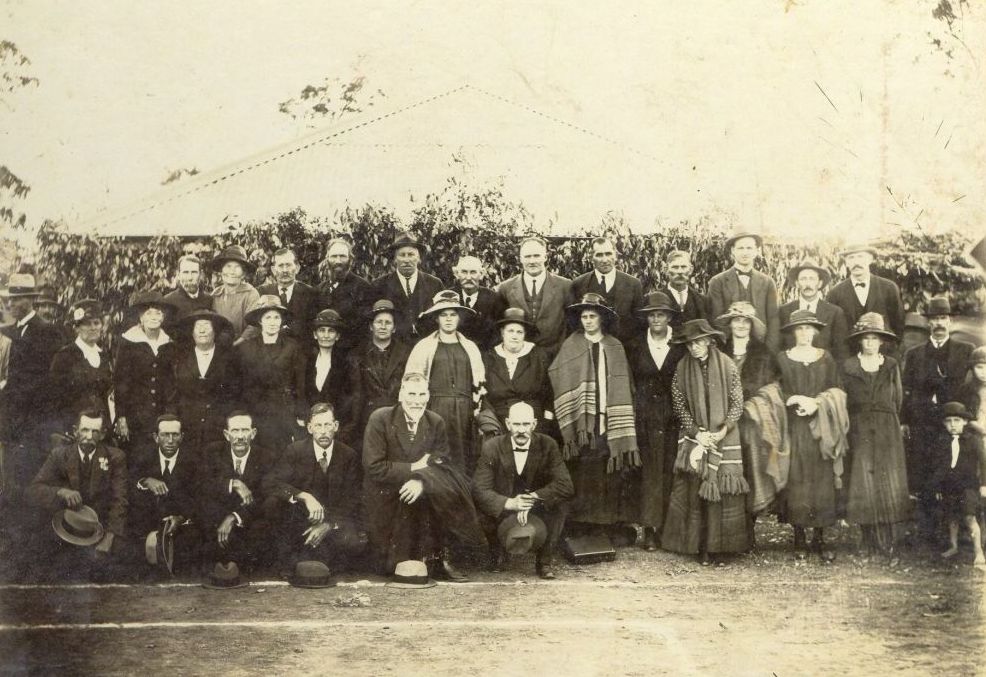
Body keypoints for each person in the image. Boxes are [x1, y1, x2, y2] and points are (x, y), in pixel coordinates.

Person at [362, 373, 485, 581]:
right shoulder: (380, 418)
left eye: (421, 394)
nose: (416, 400)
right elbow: (374, 466)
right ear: (401, 394)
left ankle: (439, 558)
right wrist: (415, 467)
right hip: (388, 496)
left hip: (419, 491)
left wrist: (420, 480)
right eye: (411, 394)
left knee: (447, 485)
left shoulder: (435, 421)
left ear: (428, 396)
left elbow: (441, 461)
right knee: (390, 568)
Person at [548, 293, 639, 536]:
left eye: (593, 316)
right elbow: (557, 374)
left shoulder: (614, 345)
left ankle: (607, 524)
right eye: (584, 317)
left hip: (609, 417)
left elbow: (626, 382)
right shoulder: (572, 344)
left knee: (608, 469)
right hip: (583, 421)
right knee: (585, 468)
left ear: (602, 319)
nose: (588, 321)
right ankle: (582, 524)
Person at [661, 319, 749, 563]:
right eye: (689, 344)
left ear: (710, 341)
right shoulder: (682, 368)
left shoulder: (728, 365)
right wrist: (696, 432)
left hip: (724, 435)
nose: (693, 348)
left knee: (723, 491)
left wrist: (723, 430)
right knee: (694, 491)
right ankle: (700, 547)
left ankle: (723, 548)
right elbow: (678, 404)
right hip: (695, 435)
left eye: (698, 342)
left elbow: (737, 402)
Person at [775, 309, 848, 562]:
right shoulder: (782, 359)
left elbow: (837, 389)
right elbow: (774, 391)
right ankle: (798, 537)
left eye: (809, 328)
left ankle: (819, 536)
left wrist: (818, 402)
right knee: (797, 479)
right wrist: (792, 398)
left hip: (821, 427)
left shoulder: (826, 358)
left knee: (821, 480)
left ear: (815, 332)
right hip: (794, 427)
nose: (804, 333)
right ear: (793, 332)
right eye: (799, 328)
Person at [901, 295, 975, 540]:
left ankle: (956, 532)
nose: (939, 323)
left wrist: (967, 419)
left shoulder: (965, 352)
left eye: (943, 318)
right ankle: (928, 531)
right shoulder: (914, 354)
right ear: (928, 324)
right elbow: (906, 389)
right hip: (923, 425)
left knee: (954, 475)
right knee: (925, 475)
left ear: (950, 321)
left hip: (952, 426)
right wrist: (905, 420)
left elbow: (972, 389)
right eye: (934, 319)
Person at [472, 402, 573, 579]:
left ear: (534, 424)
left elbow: (566, 485)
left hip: (537, 507)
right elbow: (479, 489)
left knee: (561, 504)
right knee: (480, 505)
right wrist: (510, 503)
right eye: (516, 424)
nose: (521, 430)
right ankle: (497, 553)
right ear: (508, 424)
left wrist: (533, 498)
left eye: (526, 424)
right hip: (504, 509)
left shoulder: (548, 444)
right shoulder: (492, 447)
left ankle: (544, 561)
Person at [842, 313, 910, 563]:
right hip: (859, 428)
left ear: (882, 341)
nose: (870, 343)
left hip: (887, 428)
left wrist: (889, 419)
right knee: (863, 482)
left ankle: (889, 544)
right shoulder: (849, 366)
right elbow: (846, 400)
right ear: (859, 341)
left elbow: (898, 399)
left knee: (888, 482)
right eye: (865, 338)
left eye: (875, 338)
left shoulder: (891, 365)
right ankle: (866, 541)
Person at [264, 403, 364, 574]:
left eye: (327, 425)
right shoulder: (295, 451)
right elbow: (271, 482)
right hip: (302, 518)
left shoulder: (348, 456)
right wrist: (305, 496)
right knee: (273, 504)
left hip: (333, 521)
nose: (323, 431)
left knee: (352, 544)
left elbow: (352, 498)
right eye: (318, 425)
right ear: (310, 428)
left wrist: (328, 524)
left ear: (336, 426)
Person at [26, 410, 127, 567]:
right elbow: (34, 490)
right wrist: (61, 492)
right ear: (75, 431)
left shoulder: (115, 457)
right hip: (65, 530)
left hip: (100, 532)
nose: (88, 436)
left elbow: (119, 500)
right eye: (84, 430)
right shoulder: (59, 455)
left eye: (95, 431)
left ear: (102, 435)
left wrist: (109, 538)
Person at [625, 292, 686, 550]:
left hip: (673, 416)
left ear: (669, 316)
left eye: (661, 314)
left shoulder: (681, 343)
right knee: (649, 471)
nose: (656, 319)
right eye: (651, 315)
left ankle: (668, 528)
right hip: (645, 415)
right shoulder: (635, 344)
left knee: (670, 468)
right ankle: (649, 528)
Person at [404, 290, 486, 472]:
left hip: (465, 414)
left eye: (453, 314)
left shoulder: (470, 348)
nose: (448, 319)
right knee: (436, 459)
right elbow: (411, 381)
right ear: (436, 318)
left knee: (463, 461)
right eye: (443, 315)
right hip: (435, 410)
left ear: (459, 318)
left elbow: (479, 386)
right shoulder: (424, 346)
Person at [0, 273, 63, 487]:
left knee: (29, 477)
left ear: (30, 300)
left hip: (33, 421)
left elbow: (44, 380)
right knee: (10, 478)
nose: (11, 304)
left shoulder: (46, 331)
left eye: (16, 299)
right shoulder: (11, 331)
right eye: (10, 299)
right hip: (12, 420)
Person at [201, 411, 275, 573]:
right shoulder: (213, 452)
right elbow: (203, 486)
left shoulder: (267, 457)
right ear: (227, 435)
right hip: (218, 521)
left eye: (244, 430)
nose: (240, 436)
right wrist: (233, 483)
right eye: (235, 431)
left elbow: (264, 497)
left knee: (262, 527)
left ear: (253, 433)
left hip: (248, 519)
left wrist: (234, 517)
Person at [128, 415, 203, 573]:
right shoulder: (141, 457)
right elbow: (128, 485)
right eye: (164, 435)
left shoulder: (195, 461)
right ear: (156, 437)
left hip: (180, 526)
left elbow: (199, 499)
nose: (170, 440)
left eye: (175, 435)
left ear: (181, 437)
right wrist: (146, 481)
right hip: (148, 525)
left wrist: (180, 518)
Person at [233, 295, 307, 454]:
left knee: (283, 453)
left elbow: (299, 383)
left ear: (281, 321)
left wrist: (300, 413)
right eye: (268, 317)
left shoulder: (292, 347)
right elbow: (240, 383)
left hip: (283, 410)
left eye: (276, 317)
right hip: (255, 410)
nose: (272, 322)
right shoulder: (246, 348)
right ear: (260, 320)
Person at [113, 290, 178, 452]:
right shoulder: (128, 341)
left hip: (161, 414)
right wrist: (122, 417)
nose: (154, 317)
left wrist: (170, 414)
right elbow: (120, 381)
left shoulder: (168, 343)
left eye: (158, 313)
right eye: (149, 313)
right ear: (141, 317)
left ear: (163, 317)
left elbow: (170, 382)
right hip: (136, 415)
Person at [479, 307, 554, 436]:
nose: (515, 336)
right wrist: (488, 420)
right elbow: (482, 392)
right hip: (498, 420)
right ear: (502, 333)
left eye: (519, 332)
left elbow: (549, 391)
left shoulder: (538, 356)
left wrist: (547, 420)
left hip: (532, 421)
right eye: (510, 331)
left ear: (525, 335)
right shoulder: (488, 357)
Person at [496, 236, 574, 358]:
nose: (532, 261)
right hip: (519, 358)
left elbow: (572, 325)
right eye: (527, 256)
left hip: (556, 357)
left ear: (545, 257)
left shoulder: (565, 286)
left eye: (537, 256)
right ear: (520, 259)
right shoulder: (505, 288)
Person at [172, 309, 238, 450]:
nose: (202, 331)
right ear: (192, 332)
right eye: (198, 327)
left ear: (215, 331)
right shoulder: (180, 357)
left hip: (218, 426)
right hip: (187, 425)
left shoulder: (229, 358)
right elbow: (174, 393)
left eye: (206, 326)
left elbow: (234, 394)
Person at [706, 230, 780, 352]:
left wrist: (769, 351)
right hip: (729, 349)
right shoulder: (717, 282)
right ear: (732, 251)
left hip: (760, 349)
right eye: (740, 248)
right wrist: (726, 350)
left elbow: (773, 319)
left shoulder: (768, 282)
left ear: (756, 251)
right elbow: (716, 320)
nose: (745, 252)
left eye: (749, 248)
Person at [348, 300, 412, 441]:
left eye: (388, 323)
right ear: (371, 326)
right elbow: (356, 394)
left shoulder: (406, 353)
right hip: (368, 417)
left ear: (394, 328)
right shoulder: (357, 354)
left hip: (399, 417)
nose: (383, 326)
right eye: (379, 322)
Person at [48, 300, 112, 439]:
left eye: (96, 323)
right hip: (73, 429)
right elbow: (53, 397)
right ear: (77, 328)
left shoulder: (104, 356)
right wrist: (61, 430)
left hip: (99, 428)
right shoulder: (65, 356)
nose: (93, 328)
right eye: (87, 324)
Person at [932, 402, 985, 567]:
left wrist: (984, 484)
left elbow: (984, 463)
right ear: (944, 424)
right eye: (948, 421)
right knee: (952, 516)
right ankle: (954, 546)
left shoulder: (974, 440)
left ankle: (978, 552)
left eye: (956, 420)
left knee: (969, 517)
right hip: (949, 485)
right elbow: (939, 466)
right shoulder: (942, 442)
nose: (953, 425)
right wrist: (938, 487)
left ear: (965, 422)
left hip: (968, 485)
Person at [369, 233, 444, 341]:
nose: (406, 259)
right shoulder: (379, 285)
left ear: (419, 258)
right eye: (402, 255)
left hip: (427, 347)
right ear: (394, 259)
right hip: (394, 350)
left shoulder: (435, 284)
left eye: (411, 254)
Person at [571, 236, 644, 345]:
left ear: (615, 255)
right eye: (599, 255)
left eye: (608, 254)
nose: (605, 260)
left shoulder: (633, 284)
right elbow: (575, 322)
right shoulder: (579, 284)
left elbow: (640, 323)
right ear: (591, 257)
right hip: (591, 350)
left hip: (625, 351)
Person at [825, 241, 905, 340]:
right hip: (848, 354)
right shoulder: (835, 293)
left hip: (883, 352)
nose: (856, 262)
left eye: (860, 256)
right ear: (846, 262)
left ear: (870, 259)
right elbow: (831, 330)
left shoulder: (889, 288)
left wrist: (893, 352)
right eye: (851, 258)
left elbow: (899, 324)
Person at [779, 259, 849, 360]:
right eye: (803, 279)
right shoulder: (784, 311)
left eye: (812, 279)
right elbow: (780, 346)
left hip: (824, 371)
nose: (808, 284)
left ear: (820, 283)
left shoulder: (835, 312)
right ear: (797, 283)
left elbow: (841, 350)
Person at [304, 309, 354, 444]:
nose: (326, 335)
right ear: (315, 334)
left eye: (331, 331)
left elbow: (351, 398)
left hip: (336, 428)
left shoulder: (346, 362)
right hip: (309, 427)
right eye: (321, 330)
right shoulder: (306, 361)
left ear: (337, 336)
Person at [315, 238, 372, 354]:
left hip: (352, 354)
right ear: (327, 259)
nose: (338, 261)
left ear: (350, 259)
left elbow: (364, 329)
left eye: (342, 256)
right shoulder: (319, 289)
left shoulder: (363, 287)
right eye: (334, 256)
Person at [258, 247, 318, 342]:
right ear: (273, 270)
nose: (285, 270)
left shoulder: (311, 293)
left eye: (289, 265)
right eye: (281, 266)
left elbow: (313, 329)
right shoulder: (262, 292)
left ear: (297, 268)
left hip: (301, 351)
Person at [210, 244, 261, 345]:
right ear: (221, 271)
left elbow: (254, 326)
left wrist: (236, 344)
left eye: (237, 267)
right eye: (228, 266)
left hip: (244, 348)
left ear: (243, 273)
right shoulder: (215, 294)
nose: (232, 271)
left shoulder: (251, 293)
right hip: (218, 348)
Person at [452, 255, 505, 351]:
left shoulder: (495, 300)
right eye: (464, 272)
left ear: (481, 274)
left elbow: (499, 335)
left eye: (473, 272)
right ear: (456, 274)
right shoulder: (449, 298)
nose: (468, 277)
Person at [658, 250, 709, 327]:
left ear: (691, 270)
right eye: (675, 267)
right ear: (666, 270)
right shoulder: (655, 299)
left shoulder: (702, 300)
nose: (680, 271)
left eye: (683, 267)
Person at [163, 254, 213, 319]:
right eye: (185, 272)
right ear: (178, 275)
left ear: (200, 274)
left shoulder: (209, 300)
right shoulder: (168, 302)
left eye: (194, 272)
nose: (190, 277)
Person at [956, 347, 986, 436]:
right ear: (972, 368)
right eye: (979, 367)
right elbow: (961, 414)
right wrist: (977, 426)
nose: (984, 372)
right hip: (974, 433)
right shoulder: (966, 390)